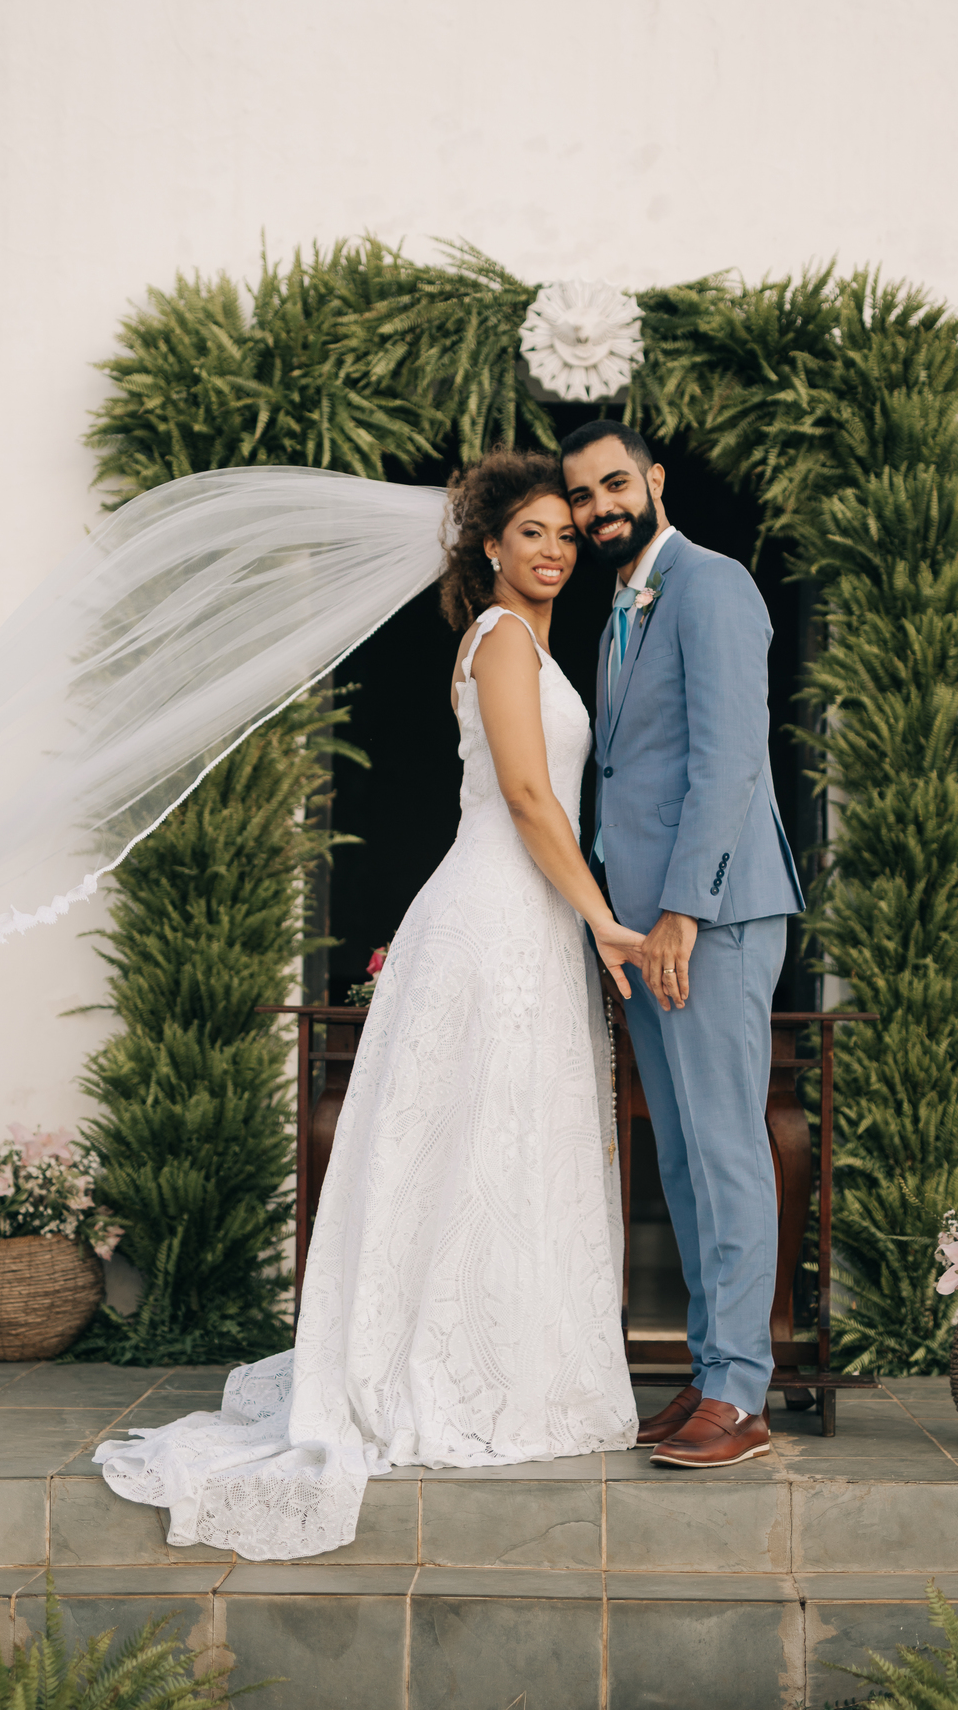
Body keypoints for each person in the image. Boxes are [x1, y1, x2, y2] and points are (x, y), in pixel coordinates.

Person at [94, 450, 642, 1560]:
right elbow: (531, 798)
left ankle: (512, 1365)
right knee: (474, 1137)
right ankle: (437, 1370)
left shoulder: (536, 643)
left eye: (566, 535)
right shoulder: (496, 639)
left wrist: (577, 916)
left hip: (524, 921)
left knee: (505, 1144)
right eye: (532, 531)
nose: (553, 549)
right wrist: (601, 914)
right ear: (490, 545)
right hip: (496, 913)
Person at [562, 421, 806, 1469]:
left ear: (654, 482)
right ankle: (710, 1375)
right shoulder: (622, 602)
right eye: (582, 495)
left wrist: (680, 914)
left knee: (724, 1147)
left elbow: (730, 762)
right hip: (650, 926)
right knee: (686, 1154)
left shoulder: (709, 586)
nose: (599, 505)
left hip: (710, 919)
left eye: (615, 482)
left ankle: (741, 1396)